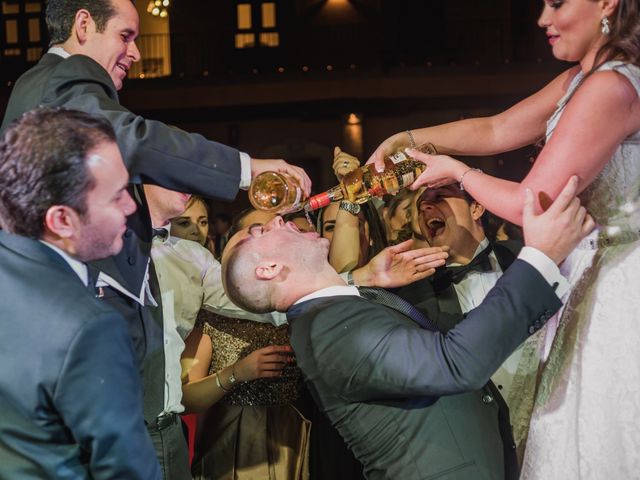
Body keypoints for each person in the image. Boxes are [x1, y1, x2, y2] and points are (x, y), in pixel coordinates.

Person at [0, 2, 311, 476]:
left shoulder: (42, 92)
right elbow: (131, 137)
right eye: (125, 36)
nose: (136, 53)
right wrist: (246, 169)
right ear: (83, 24)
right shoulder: (62, 82)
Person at [369, 1, 640, 477]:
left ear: (606, 3)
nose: (542, 19)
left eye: (557, 3)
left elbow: (533, 204)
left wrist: (461, 174)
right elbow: (497, 129)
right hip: (585, 270)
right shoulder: (581, 78)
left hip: (621, 278)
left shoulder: (612, 86)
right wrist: (405, 139)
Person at [220, 176, 593, 480]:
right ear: (268, 269)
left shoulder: (335, 312)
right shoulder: (327, 330)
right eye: (260, 231)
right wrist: (540, 259)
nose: (279, 220)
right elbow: (454, 363)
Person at [0, 107, 160, 479]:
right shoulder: (90, 326)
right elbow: (127, 469)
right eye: (117, 195)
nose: (131, 206)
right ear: (61, 220)